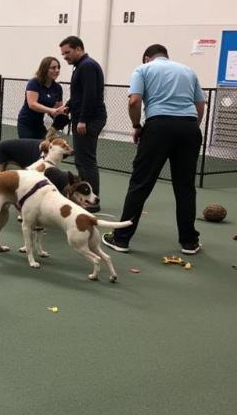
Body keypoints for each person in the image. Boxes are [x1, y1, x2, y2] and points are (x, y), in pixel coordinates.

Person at [102, 44, 205, 255]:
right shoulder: (188, 70)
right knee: (185, 187)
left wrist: (137, 126)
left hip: (158, 127)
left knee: (140, 184)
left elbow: (134, 101)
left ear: (147, 57)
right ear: (166, 55)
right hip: (189, 127)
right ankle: (189, 242)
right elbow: (200, 103)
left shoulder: (143, 70)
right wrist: (192, 127)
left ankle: (121, 239)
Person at [59, 35, 107, 211]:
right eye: (63, 54)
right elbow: (79, 94)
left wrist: (83, 120)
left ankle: (92, 202)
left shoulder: (86, 66)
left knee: (86, 161)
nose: (65, 57)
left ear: (79, 48)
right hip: (85, 117)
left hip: (89, 119)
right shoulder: (81, 66)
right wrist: (68, 106)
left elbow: (90, 95)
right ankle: (84, 197)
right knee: (81, 160)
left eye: (67, 52)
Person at [16, 56, 66, 139]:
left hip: (39, 124)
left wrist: (62, 116)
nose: (57, 70)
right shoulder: (34, 83)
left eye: (58, 68)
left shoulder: (57, 88)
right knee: (28, 148)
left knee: (44, 148)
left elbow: (58, 109)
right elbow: (32, 104)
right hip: (25, 123)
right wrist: (51, 110)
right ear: (45, 69)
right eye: (53, 68)